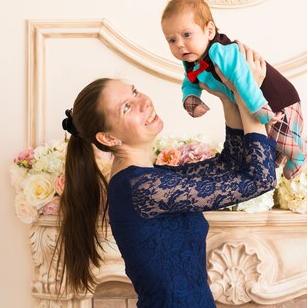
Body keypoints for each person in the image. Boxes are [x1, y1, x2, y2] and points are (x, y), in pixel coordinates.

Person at [55, 44, 277, 308]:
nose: (144, 101)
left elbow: (229, 164)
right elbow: (260, 179)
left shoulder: (150, 179)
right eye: (127, 106)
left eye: (135, 91)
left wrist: (228, 97)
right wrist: (248, 93)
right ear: (108, 138)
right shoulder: (141, 188)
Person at [161, 0, 306, 180]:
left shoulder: (222, 52)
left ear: (209, 31)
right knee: (264, 149)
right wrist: (191, 98)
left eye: (186, 35)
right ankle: (281, 159)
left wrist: (261, 110)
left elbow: (244, 79)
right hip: (253, 100)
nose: (179, 45)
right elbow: (190, 82)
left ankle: (297, 156)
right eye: (172, 40)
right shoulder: (192, 61)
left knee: (280, 136)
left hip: (276, 97)